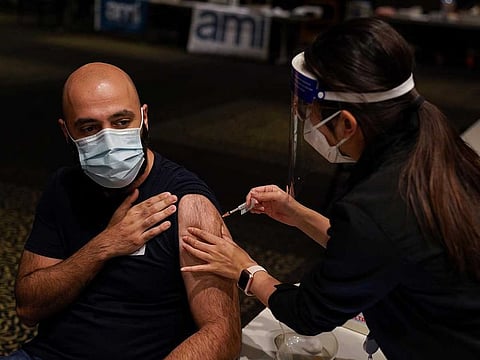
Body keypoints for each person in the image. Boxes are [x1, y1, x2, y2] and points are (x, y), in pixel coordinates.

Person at [180, 17, 480, 360]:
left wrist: (245, 269)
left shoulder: (380, 204)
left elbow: (309, 313)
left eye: (315, 115)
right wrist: (297, 214)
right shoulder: (430, 140)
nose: (312, 126)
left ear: (347, 123)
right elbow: (380, 249)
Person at [6, 62, 241, 360]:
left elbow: (222, 333)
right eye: (89, 127)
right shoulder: (63, 188)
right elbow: (28, 308)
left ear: (144, 118)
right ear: (66, 132)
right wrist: (104, 246)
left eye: (120, 122)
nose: (107, 139)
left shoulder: (187, 203)